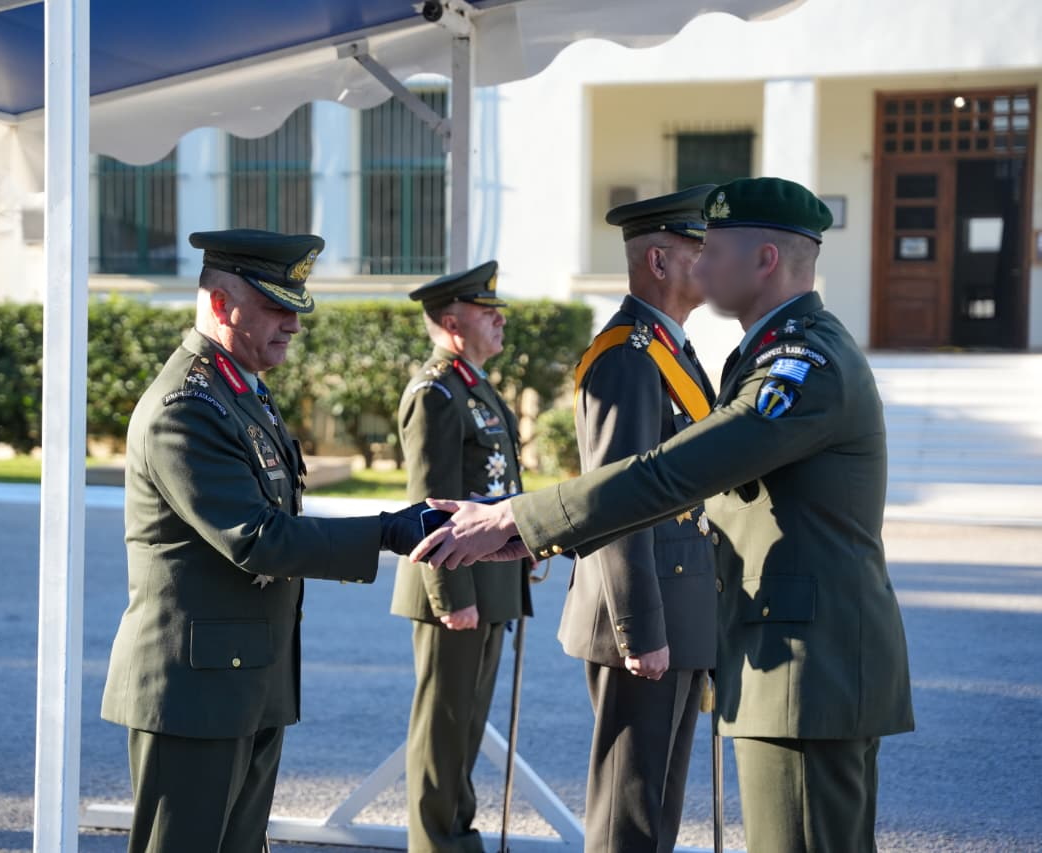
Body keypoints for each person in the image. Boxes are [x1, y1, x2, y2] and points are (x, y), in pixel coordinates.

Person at [410, 178, 915, 853]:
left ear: (765, 260)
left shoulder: (802, 365)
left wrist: (516, 521)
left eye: (715, 251)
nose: (701, 266)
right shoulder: (764, 353)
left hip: (807, 666)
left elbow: (670, 474)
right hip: (792, 658)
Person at [100, 228, 423, 853]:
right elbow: (255, 537)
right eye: (276, 307)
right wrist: (386, 530)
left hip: (246, 680)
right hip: (193, 692)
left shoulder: (240, 389)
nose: (293, 325)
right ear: (221, 304)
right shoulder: (186, 405)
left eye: (294, 308)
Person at [564, 186, 718, 853]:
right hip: (646, 619)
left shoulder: (672, 348)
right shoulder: (628, 357)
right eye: (698, 251)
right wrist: (640, 628)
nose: (713, 264)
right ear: (658, 261)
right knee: (629, 816)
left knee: (656, 813)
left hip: (680, 609)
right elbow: (617, 500)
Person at [390, 261, 530, 853]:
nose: (499, 320)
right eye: (485, 311)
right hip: (457, 587)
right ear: (452, 323)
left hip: (488, 583)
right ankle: (437, 844)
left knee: (467, 727)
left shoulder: (474, 385)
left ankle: (457, 837)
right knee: (444, 732)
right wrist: (452, 598)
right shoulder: (436, 393)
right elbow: (431, 503)